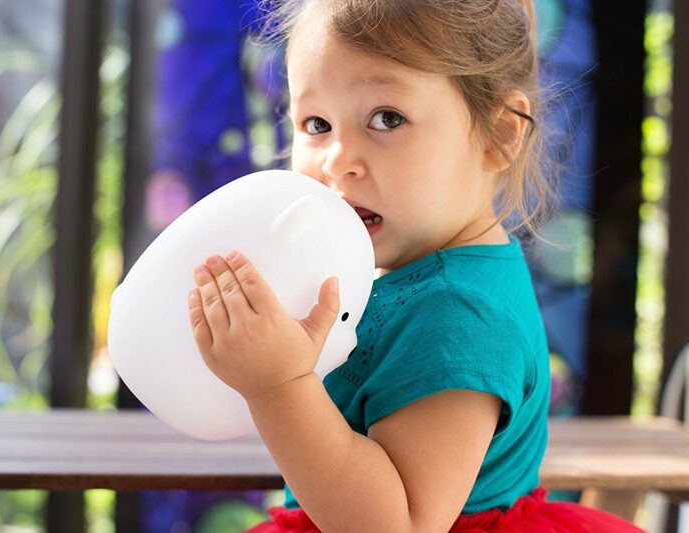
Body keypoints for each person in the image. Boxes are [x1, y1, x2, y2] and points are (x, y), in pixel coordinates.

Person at [186, 0, 646, 531]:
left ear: (498, 136)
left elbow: (396, 524)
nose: (337, 159)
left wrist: (278, 387)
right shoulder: (413, 268)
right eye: (316, 123)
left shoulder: (457, 311)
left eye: (386, 118)